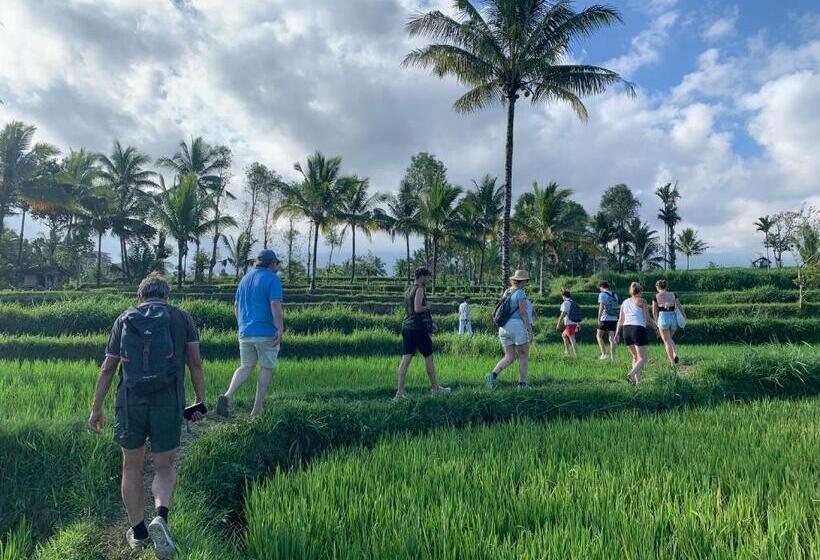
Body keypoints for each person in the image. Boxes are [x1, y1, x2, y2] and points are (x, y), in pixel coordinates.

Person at [88, 273, 206, 559]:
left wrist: (96, 407)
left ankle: (139, 532)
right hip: (168, 401)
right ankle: (160, 518)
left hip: (130, 402)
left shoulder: (124, 319)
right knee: (164, 466)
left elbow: (107, 368)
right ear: (167, 295)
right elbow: (195, 363)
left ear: (139, 296)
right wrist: (200, 401)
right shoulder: (181, 318)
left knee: (131, 467)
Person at [216, 249, 284, 418]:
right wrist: (280, 329)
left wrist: (241, 325)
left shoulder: (244, 279)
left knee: (246, 367)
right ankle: (256, 411)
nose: (277, 266)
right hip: (265, 331)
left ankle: (227, 396)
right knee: (266, 367)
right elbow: (275, 304)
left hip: (245, 331)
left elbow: (236, 306)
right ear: (271, 263)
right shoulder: (272, 278)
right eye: (276, 263)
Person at [394, 267, 451, 400]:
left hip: (407, 327)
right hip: (418, 329)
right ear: (422, 277)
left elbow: (411, 312)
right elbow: (418, 309)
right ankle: (436, 389)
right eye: (428, 277)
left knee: (405, 359)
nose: (429, 279)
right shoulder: (419, 289)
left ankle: (400, 392)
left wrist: (431, 324)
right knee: (429, 357)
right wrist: (427, 307)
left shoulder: (409, 290)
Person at [485, 270, 534, 390]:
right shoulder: (521, 293)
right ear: (522, 281)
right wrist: (530, 330)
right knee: (523, 355)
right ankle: (522, 385)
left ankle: (493, 375)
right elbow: (523, 313)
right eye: (526, 281)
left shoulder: (507, 291)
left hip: (503, 327)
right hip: (516, 326)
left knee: (509, 357)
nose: (527, 283)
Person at [615, 282, 656, 385]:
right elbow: (647, 318)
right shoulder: (642, 301)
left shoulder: (624, 302)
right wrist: (656, 327)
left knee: (635, 357)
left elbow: (620, 320)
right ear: (640, 291)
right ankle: (631, 374)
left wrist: (616, 334)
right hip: (637, 329)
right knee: (643, 358)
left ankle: (637, 382)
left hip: (626, 330)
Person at [653, 279, 683, 366]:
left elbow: (654, 311)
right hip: (673, 318)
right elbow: (679, 306)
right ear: (666, 286)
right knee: (669, 339)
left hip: (663, 318)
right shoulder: (673, 295)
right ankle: (674, 353)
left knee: (666, 341)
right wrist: (684, 315)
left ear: (657, 287)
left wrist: (656, 322)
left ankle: (672, 362)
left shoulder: (656, 296)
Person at [596, 281, 619, 360]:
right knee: (612, 339)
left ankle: (604, 354)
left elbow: (601, 307)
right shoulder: (614, 295)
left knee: (599, 336)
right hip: (614, 318)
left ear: (601, 287)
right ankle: (613, 357)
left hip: (605, 318)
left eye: (600, 288)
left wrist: (598, 318)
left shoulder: (602, 294)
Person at [556, 289, 580, 357]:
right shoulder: (573, 302)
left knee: (572, 339)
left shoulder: (565, 303)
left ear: (563, 296)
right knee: (563, 335)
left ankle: (576, 355)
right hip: (574, 323)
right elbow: (577, 313)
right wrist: (578, 323)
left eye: (562, 296)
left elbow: (563, 314)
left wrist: (558, 323)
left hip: (569, 323)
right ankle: (567, 351)